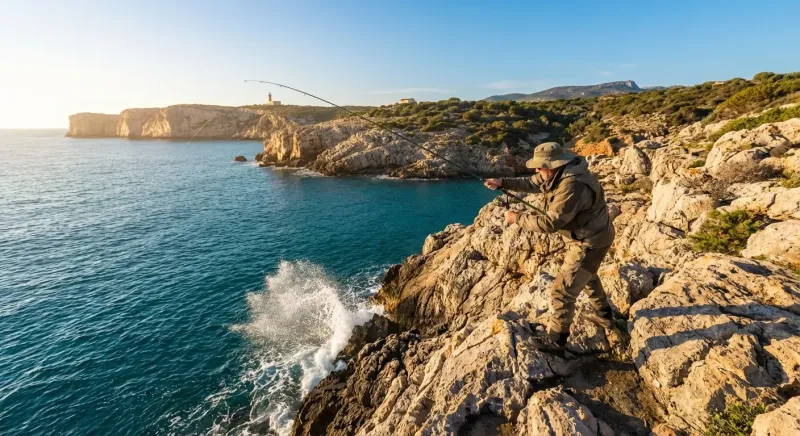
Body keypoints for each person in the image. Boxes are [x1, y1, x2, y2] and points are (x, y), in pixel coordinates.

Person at [484, 142, 616, 351]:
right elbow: (533, 182)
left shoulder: (572, 186)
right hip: (591, 236)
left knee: (562, 291)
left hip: (589, 242)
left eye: (540, 166)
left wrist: (516, 218)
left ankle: (556, 340)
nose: (536, 170)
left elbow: (550, 223)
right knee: (588, 274)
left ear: (554, 165)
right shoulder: (560, 173)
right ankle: (606, 317)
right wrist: (503, 182)